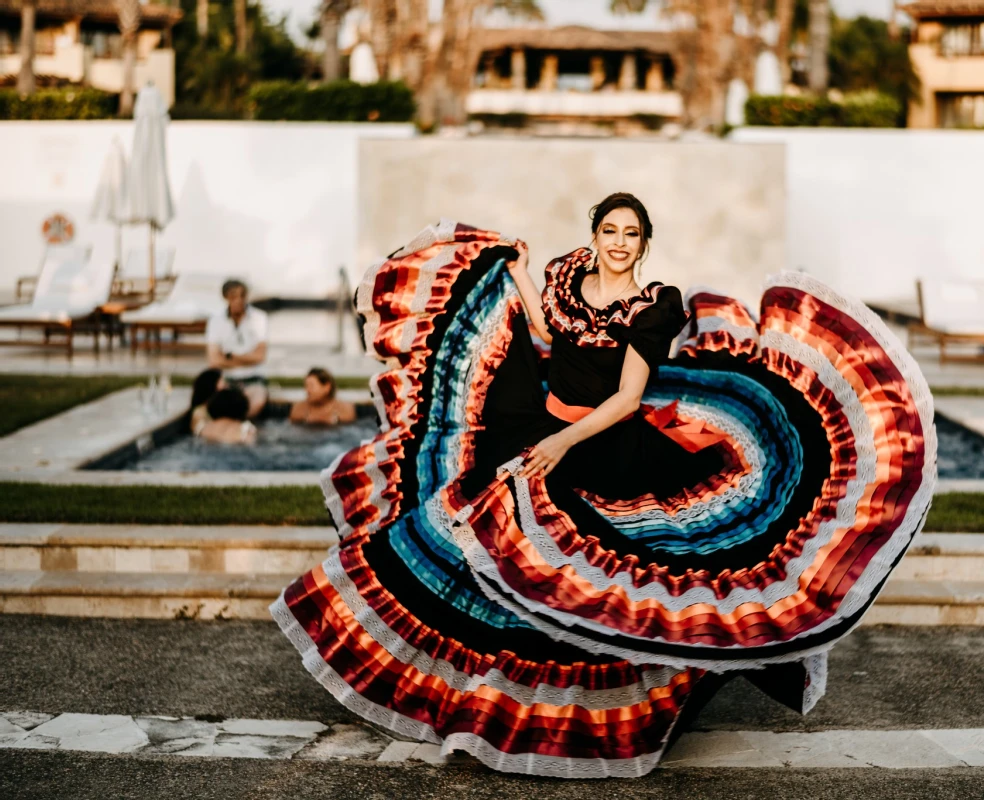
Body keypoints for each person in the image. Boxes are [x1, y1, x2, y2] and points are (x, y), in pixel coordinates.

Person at [270, 197, 936, 778]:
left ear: (643, 245)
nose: (619, 243)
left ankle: (626, 707)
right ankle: (491, 704)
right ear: (594, 234)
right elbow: (544, 338)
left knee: (605, 568)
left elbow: (626, 398)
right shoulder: (565, 275)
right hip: (540, 420)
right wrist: (521, 277)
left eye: (631, 234)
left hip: (606, 442)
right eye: (610, 230)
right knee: (465, 526)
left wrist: (560, 443)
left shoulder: (655, 304)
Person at [206, 279, 268, 418]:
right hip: (227, 380)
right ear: (226, 297)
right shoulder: (216, 320)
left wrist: (230, 356)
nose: (239, 300)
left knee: (256, 403)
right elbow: (214, 360)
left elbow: (260, 357)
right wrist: (248, 358)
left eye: (242, 296)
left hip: (254, 378)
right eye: (234, 296)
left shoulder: (259, 318)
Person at [289, 368, 357, 426]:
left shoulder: (344, 408)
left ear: (327, 387)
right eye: (306, 386)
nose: (307, 390)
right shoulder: (299, 408)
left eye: (311, 386)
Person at [188, 367, 225, 435]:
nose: (226, 386)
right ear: (211, 386)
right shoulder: (199, 412)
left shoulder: (212, 408)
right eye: (222, 384)